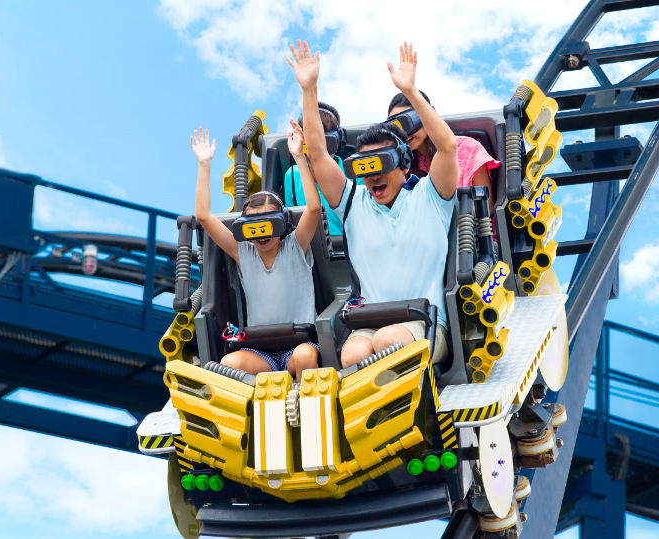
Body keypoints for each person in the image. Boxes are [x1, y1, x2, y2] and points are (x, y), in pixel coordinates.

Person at [287, 40, 458, 367]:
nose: (372, 178)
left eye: (381, 166)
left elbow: (447, 147)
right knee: (352, 352)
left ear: (404, 164)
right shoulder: (353, 203)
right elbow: (319, 155)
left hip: (423, 322)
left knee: (387, 342)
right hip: (370, 321)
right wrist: (309, 90)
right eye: (365, 169)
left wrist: (410, 93)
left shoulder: (431, 197)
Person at [191, 123, 321, 381]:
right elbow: (204, 217)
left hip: (300, 346)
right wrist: (204, 165)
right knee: (229, 362)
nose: (261, 234)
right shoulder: (243, 253)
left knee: (306, 357)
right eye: (254, 227)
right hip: (261, 351)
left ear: (282, 223)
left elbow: (314, 208)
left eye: (268, 225)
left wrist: (298, 156)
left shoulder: (296, 245)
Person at [388, 91, 500, 240]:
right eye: (395, 126)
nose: (403, 132)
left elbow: (487, 207)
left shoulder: (467, 147)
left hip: (472, 244)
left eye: (408, 122)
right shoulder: (399, 165)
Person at [283, 102, 362, 236]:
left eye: (324, 141)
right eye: (310, 141)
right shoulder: (291, 176)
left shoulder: (356, 173)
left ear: (338, 141)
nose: (317, 150)